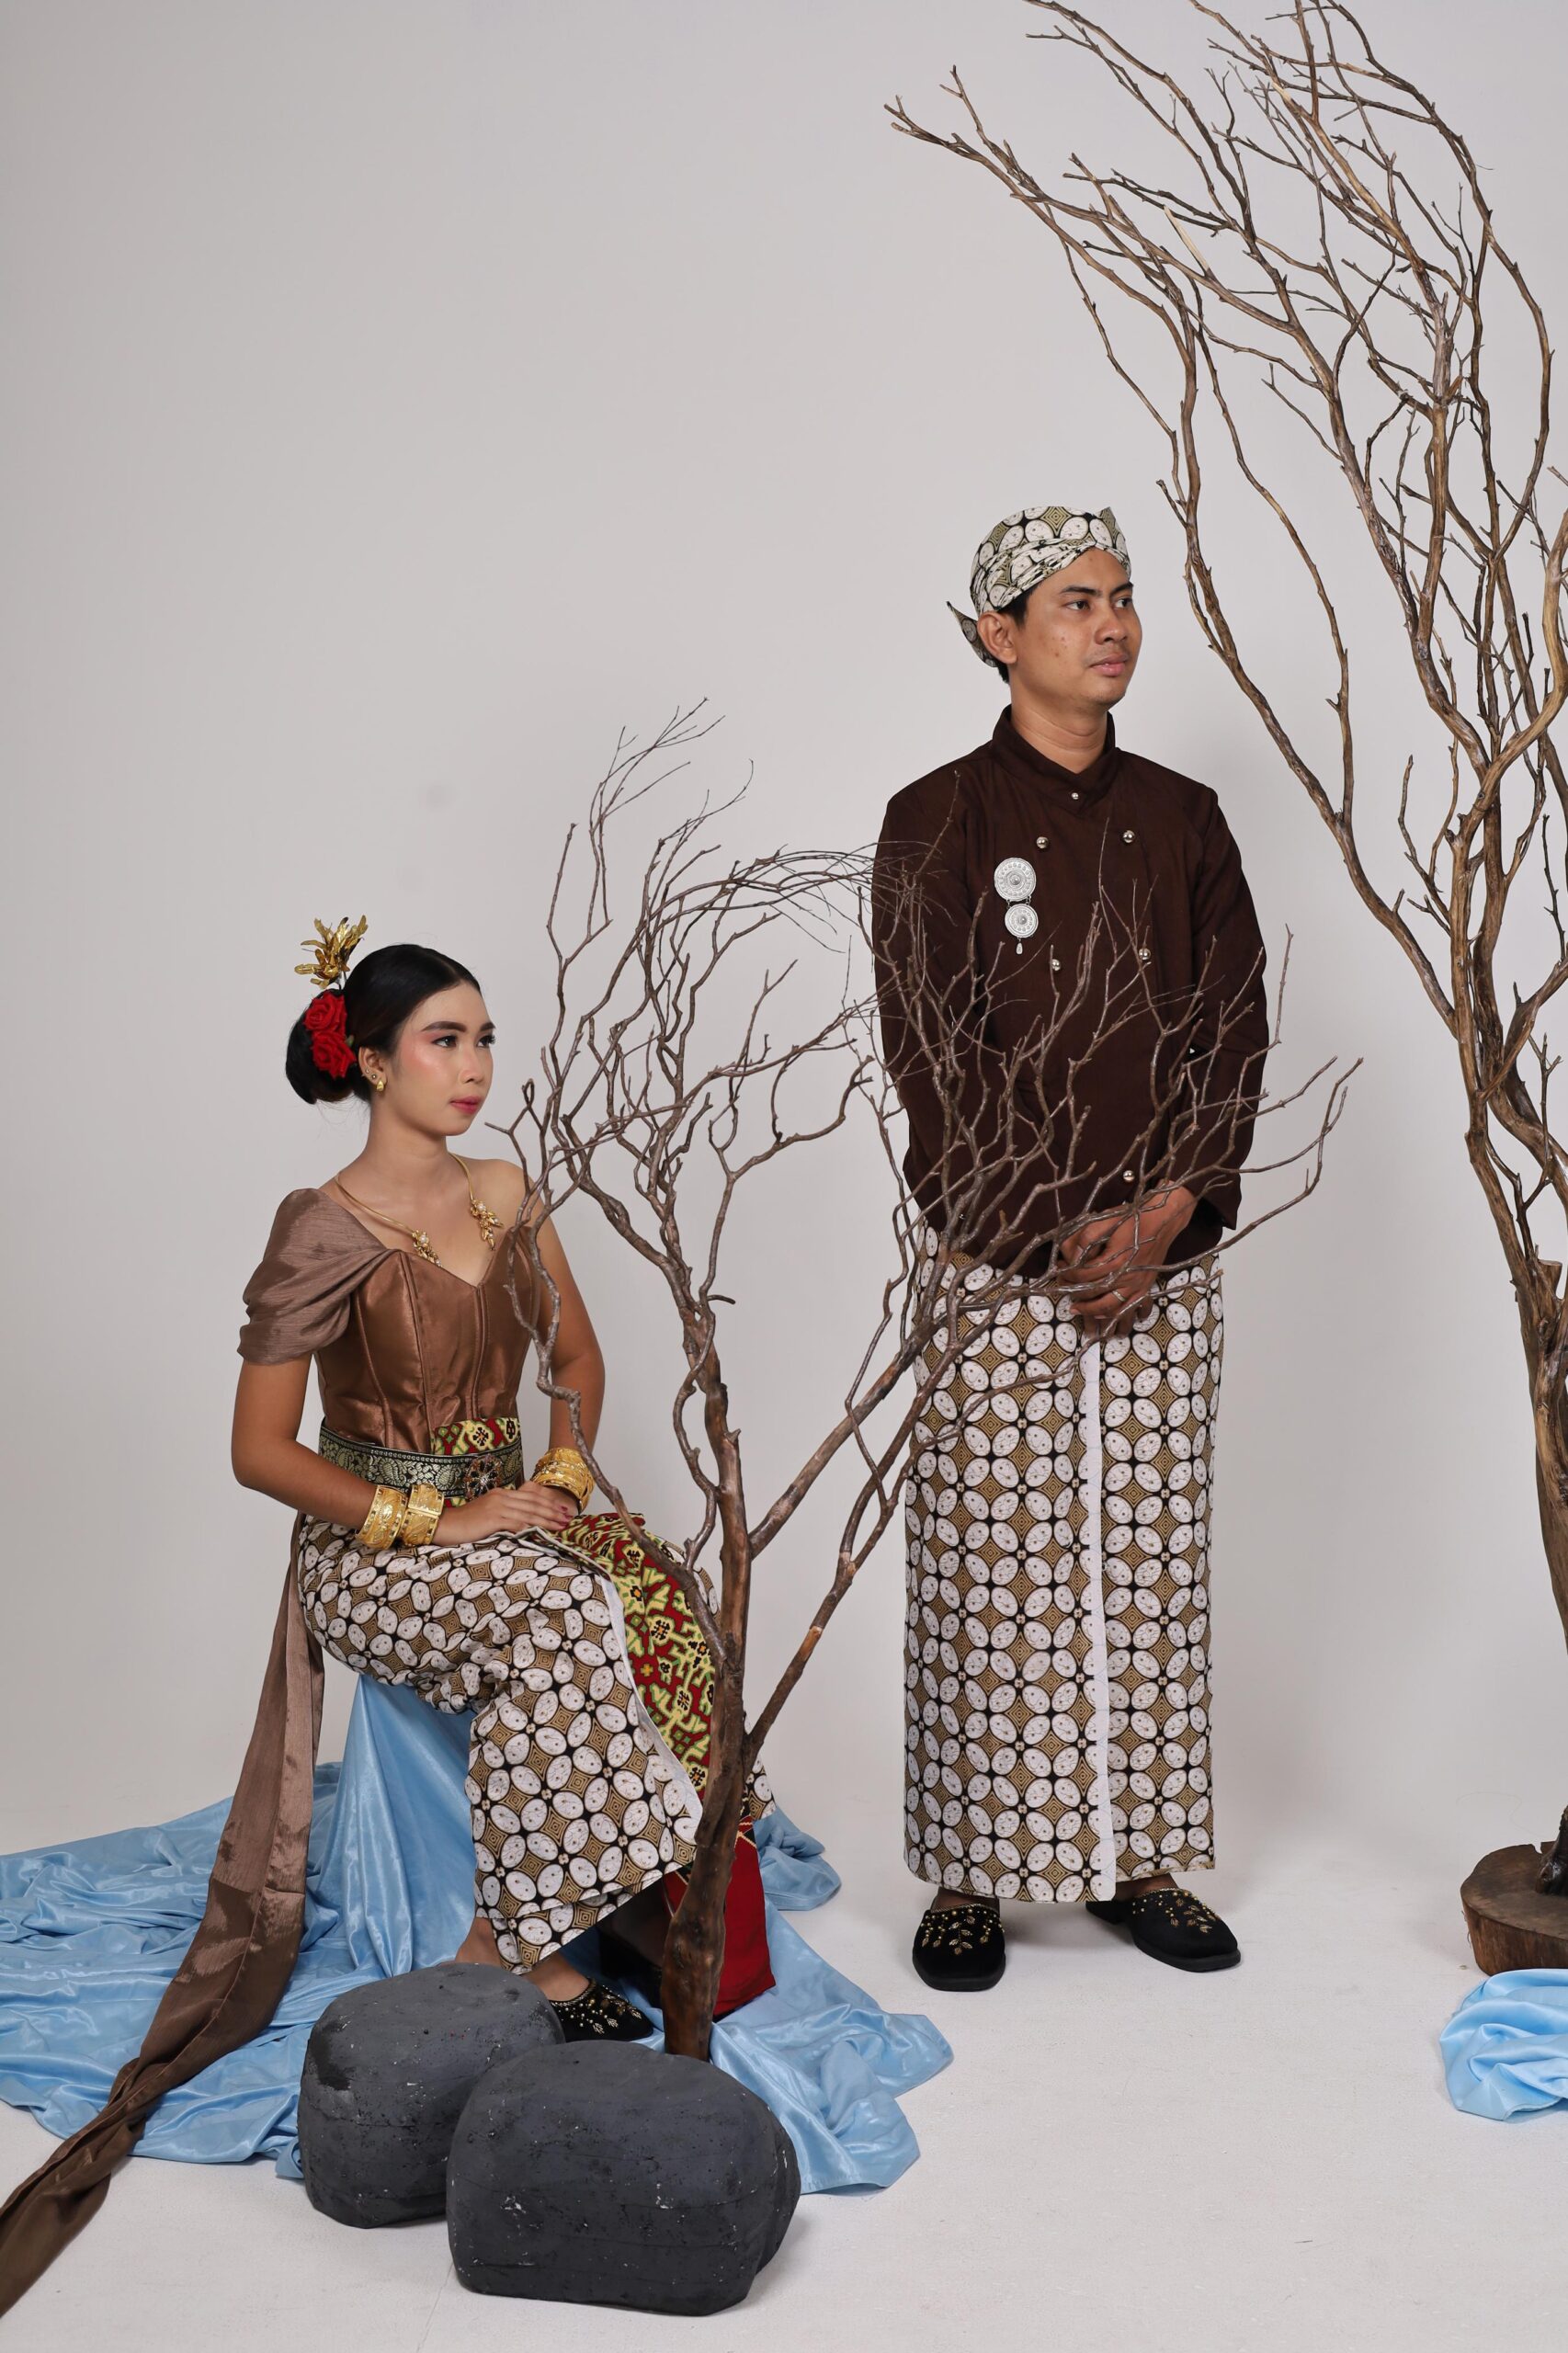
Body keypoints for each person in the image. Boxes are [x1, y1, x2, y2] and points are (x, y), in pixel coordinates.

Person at [0, 921, 771, 2304]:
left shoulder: (505, 1192)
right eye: (442, 1040)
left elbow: (577, 1357)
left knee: (657, 1589)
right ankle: (516, 1956)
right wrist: (438, 1519)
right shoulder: (321, 1224)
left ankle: (625, 1909)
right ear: (367, 1062)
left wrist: (556, 1479)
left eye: (483, 1039)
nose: (474, 1067)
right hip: (372, 1548)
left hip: (509, 1513)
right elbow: (258, 1451)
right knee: (559, 1622)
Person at [873, 505, 1269, 1993]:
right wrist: (1048, 1232)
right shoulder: (935, 818)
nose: (1111, 626)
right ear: (999, 635)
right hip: (994, 1251)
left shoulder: (1185, 816)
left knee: (1151, 1557)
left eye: (1122, 598)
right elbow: (930, 1048)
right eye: (1073, 603)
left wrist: (1164, 1213)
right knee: (990, 1557)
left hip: (1165, 1245)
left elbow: (1233, 1023)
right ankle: (972, 1870)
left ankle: (1138, 1858)